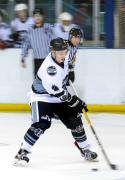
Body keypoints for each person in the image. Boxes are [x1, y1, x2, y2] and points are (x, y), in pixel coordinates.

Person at [14, 37, 98, 165]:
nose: (63, 56)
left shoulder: (65, 53)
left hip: (58, 97)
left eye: (65, 52)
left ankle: (85, 149)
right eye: (60, 54)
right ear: (52, 52)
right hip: (42, 97)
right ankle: (22, 152)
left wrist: (71, 69)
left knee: (76, 121)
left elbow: (71, 50)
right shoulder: (49, 69)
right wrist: (75, 101)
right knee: (41, 124)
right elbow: (59, 93)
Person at [21, 8, 55, 77]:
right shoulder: (29, 30)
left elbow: (54, 41)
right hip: (36, 60)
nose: (38, 17)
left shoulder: (48, 27)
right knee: (37, 81)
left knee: (50, 80)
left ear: (43, 17)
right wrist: (23, 58)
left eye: (40, 15)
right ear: (33, 17)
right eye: (36, 16)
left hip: (48, 59)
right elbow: (26, 44)